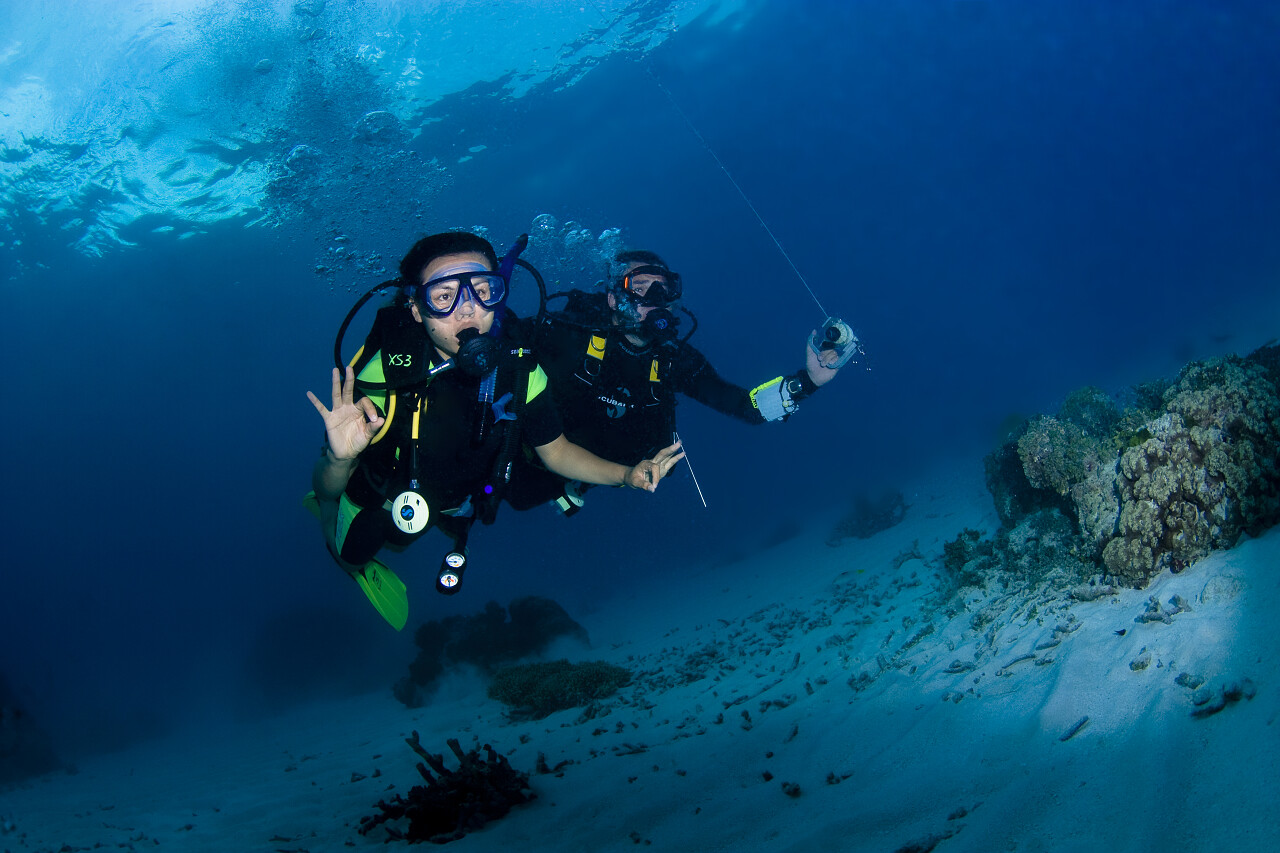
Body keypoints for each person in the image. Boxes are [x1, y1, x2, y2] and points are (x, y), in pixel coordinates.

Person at [306, 232, 684, 627]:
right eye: (443, 296)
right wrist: (338, 459)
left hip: (460, 502)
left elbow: (557, 452)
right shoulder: (384, 375)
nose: (467, 310)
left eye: (482, 290)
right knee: (356, 552)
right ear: (417, 309)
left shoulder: (520, 370)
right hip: (387, 496)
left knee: (437, 527)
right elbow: (329, 481)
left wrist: (625, 474)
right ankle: (328, 518)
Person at [505, 248, 859, 514]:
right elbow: (504, 339)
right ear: (614, 298)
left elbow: (745, 406)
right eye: (641, 288)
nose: (656, 300)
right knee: (514, 494)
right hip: (528, 458)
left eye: (665, 288)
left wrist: (809, 380)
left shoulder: (674, 359)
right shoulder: (567, 335)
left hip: (608, 470)